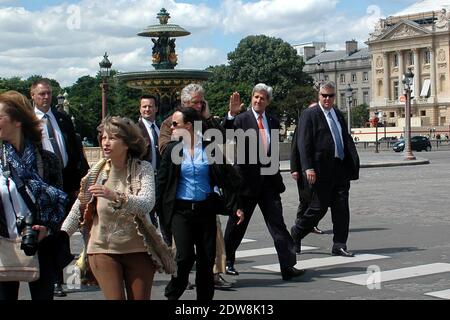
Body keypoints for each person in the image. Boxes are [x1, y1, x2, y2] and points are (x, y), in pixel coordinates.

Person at [61, 116, 175, 300]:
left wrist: (115, 196)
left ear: (128, 142)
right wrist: (62, 235)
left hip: (139, 249)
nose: (106, 142)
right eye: (103, 138)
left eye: (112, 138)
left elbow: (147, 203)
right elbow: (78, 208)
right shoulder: (96, 172)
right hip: (102, 249)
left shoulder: (142, 168)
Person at [156, 108, 244, 300]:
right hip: (180, 211)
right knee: (184, 258)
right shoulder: (172, 150)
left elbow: (228, 178)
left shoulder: (209, 148)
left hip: (206, 211)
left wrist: (236, 206)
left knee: (206, 261)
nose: (171, 128)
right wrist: (154, 209)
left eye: (175, 124)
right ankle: (172, 294)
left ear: (188, 126)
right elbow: (162, 182)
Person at [223, 83, 305, 281]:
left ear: (268, 101)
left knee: (278, 225)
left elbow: (272, 153)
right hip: (245, 182)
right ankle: (227, 261)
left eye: (262, 98)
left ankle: (287, 265)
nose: (258, 101)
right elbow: (225, 134)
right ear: (251, 98)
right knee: (237, 225)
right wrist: (231, 116)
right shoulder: (241, 119)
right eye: (256, 97)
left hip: (268, 183)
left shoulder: (273, 121)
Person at [0, 91, 68, 300]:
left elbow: (60, 203)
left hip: (41, 243)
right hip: (3, 244)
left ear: (17, 121)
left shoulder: (47, 161)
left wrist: (46, 228)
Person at [30, 79, 89, 297]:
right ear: (33, 96)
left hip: (66, 183)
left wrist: (79, 182)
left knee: (67, 233)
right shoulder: (29, 121)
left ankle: (71, 280)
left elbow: (74, 150)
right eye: (42, 94)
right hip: (43, 185)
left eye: (49, 93)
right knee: (50, 235)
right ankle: (54, 280)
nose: (46, 97)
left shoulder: (62, 118)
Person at [290, 81, 360, 258]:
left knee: (342, 208)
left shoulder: (337, 113)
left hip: (340, 167)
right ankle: (297, 231)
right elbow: (303, 143)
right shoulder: (310, 114)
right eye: (324, 96)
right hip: (320, 169)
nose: (327, 99)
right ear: (318, 95)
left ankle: (339, 244)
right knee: (318, 208)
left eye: (331, 96)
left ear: (335, 96)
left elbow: (344, 137)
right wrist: (307, 167)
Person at [290, 105, 324, 252]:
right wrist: (294, 168)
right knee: (305, 201)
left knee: (316, 202)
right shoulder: (303, 124)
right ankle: (300, 226)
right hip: (304, 171)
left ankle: (307, 225)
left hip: (319, 171)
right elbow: (295, 148)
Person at [137, 95, 161, 229]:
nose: (147, 109)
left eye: (150, 106)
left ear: (156, 108)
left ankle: (166, 247)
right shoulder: (135, 129)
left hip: (160, 179)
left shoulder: (159, 128)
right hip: (144, 179)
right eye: (144, 106)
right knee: (148, 220)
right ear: (140, 109)